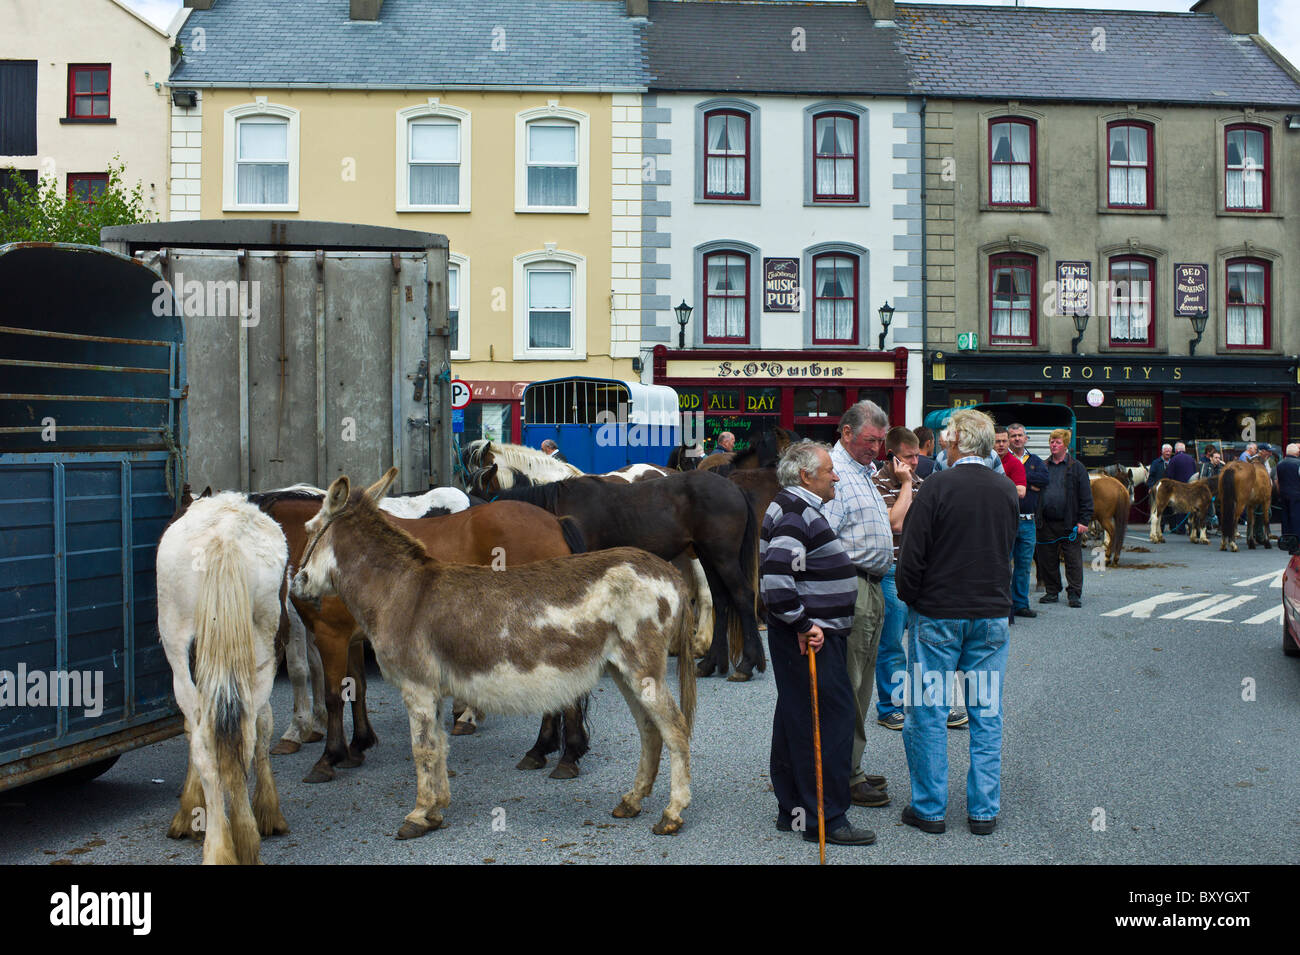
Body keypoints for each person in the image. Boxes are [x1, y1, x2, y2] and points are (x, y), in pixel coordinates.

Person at [895, 409, 1018, 835]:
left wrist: (912, 599)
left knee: (928, 711)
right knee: (986, 713)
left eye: (949, 437)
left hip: (939, 614)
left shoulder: (937, 487)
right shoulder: (1006, 489)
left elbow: (911, 556)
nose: (944, 442)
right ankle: (983, 811)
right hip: (989, 615)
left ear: (958, 442)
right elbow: (1008, 551)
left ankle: (929, 808)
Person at [760, 442, 874, 847]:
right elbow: (776, 578)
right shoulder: (796, 512)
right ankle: (825, 819)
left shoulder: (792, 505)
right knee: (828, 722)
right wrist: (803, 623)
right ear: (806, 476)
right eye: (829, 471)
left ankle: (793, 809)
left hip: (806, 634)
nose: (837, 477)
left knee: (797, 715)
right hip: (811, 638)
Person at [820, 401, 895, 809]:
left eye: (882, 441)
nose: (878, 449)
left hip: (870, 586)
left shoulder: (859, 471)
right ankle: (844, 776)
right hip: (852, 588)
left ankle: (850, 767)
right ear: (847, 432)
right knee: (849, 686)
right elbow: (823, 540)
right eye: (871, 440)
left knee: (861, 685)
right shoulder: (835, 474)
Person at [871, 427, 922, 732]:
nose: (915, 462)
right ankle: (890, 706)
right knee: (891, 644)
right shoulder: (875, 484)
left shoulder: (923, 483)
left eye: (917, 456)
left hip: (919, 571)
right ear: (890, 457)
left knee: (926, 642)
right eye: (908, 457)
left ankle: (927, 705)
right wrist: (905, 485)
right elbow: (896, 523)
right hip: (890, 569)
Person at [1035, 429, 1093, 608]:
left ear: (1066, 445)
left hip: (1069, 523)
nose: (1053, 444)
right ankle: (1052, 591)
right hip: (1046, 523)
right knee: (1047, 559)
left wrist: (1084, 521)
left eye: (1057, 442)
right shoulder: (1043, 466)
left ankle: (1074, 593)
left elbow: (1086, 496)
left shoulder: (1077, 467)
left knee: (1073, 560)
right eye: (1052, 441)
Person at [1007, 423, 1048, 620]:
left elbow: (1044, 480)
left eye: (1020, 435)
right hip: (1006, 521)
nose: (1017, 439)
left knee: (1023, 566)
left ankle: (1021, 604)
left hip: (1027, 522)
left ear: (1026, 438)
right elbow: (1003, 480)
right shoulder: (1001, 460)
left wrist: (1020, 478)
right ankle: (1005, 604)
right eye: (1013, 436)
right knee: (1004, 564)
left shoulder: (1035, 461)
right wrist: (1030, 485)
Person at [1277, 444, 1300, 539]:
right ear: (1297, 452)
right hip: (1296, 494)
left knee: (1285, 517)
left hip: (1283, 493)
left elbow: (1278, 480)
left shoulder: (1280, 464)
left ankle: (1286, 537)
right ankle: (1296, 537)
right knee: (1296, 517)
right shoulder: (1298, 464)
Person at [1149, 444, 1173, 532]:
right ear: (1162, 452)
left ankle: (1172, 527)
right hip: (1158, 490)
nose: (1168, 453)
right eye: (1166, 451)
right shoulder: (1156, 462)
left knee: (1170, 509)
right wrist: (1151, 487)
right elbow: (1151, 476)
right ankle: (1159, 528)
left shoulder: (1173, 462)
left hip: (1171, 490)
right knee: (1159, 508)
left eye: (1170, 451)